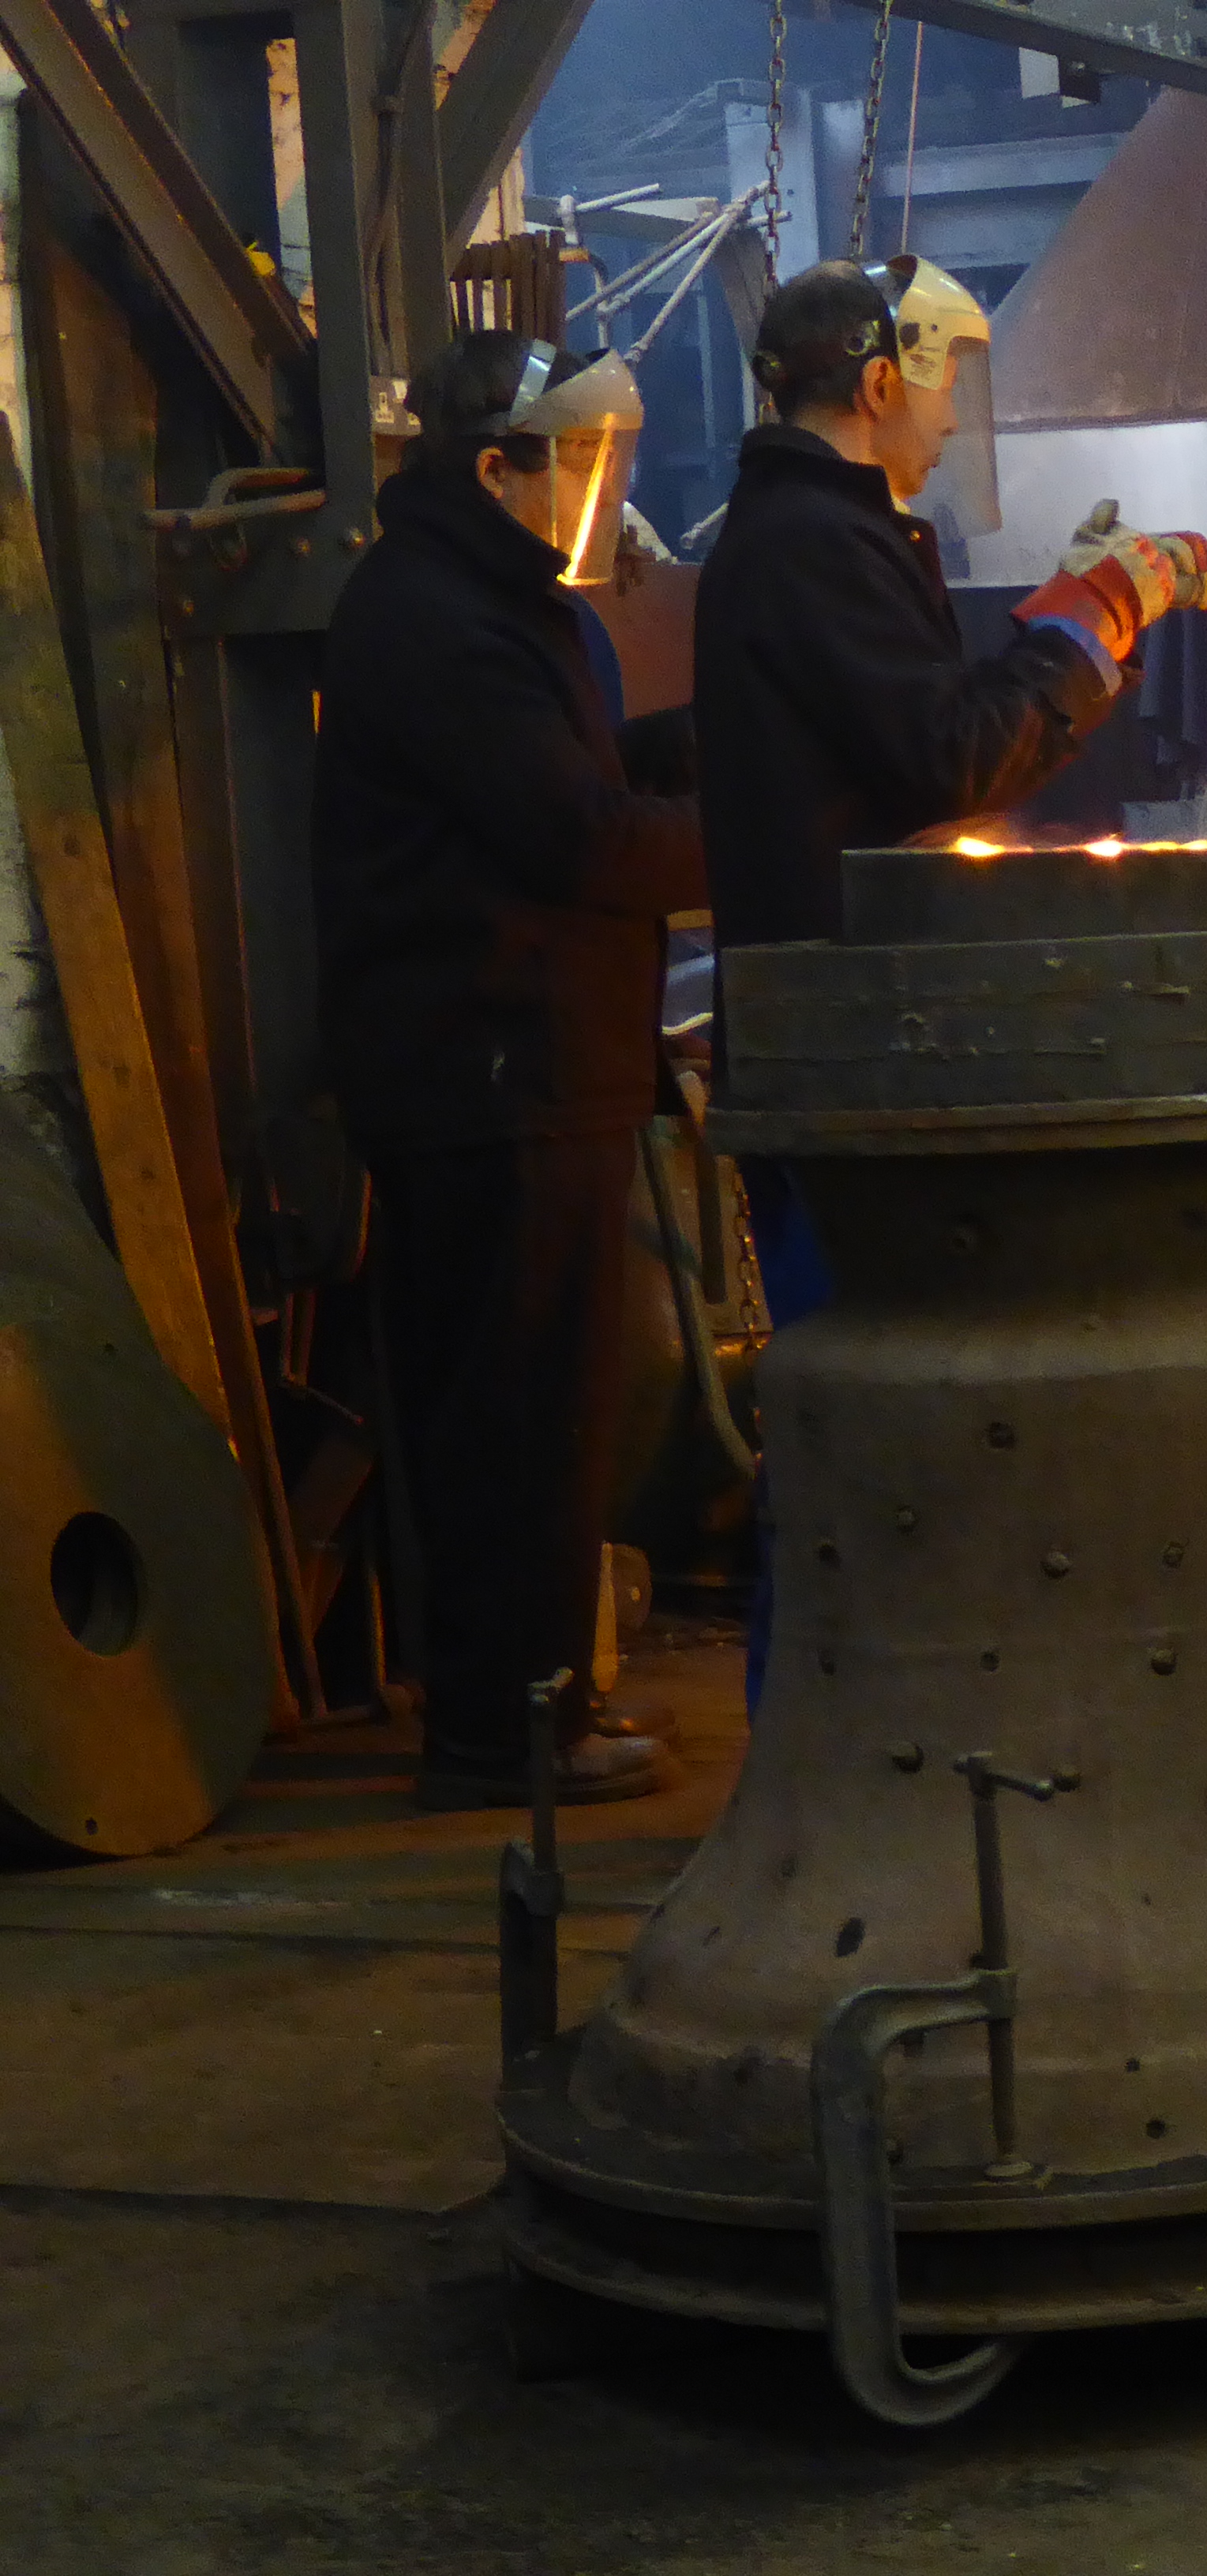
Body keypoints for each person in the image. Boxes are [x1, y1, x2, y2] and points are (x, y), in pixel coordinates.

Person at [695, 255, 1207, 1701]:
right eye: (939, 387)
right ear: (876, 384)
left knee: (870, 1433)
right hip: (843, 1067)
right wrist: (1092, 619)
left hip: (845, 1050)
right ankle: (824, 1760)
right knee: (862, 1443)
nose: (947, 420)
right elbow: (945, 758)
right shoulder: (813, 543)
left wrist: (1070, 621)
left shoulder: (821, 532)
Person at [312, 331, 699, 1810]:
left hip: (519, 1064)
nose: (592, 492)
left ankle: (537, 1701)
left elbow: (575, 777)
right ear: (496, 465)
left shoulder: (474, 598)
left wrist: (698, 740)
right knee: (514, 1421)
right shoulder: (444, 621)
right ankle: (506, 1730)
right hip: (493, 1072)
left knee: (535, 1412)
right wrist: (766, 830)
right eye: (573, 461)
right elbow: (577, 839)